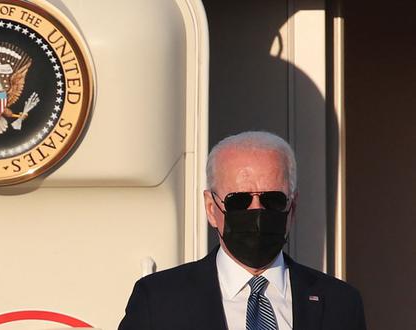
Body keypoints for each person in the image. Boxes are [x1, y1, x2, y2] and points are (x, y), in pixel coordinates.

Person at [118, 131, 366, 330]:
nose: (256, 211)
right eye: (239, 201)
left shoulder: (340, 304)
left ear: (292, 207)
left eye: (273, 200)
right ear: (210, 207)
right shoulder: (159, 300)